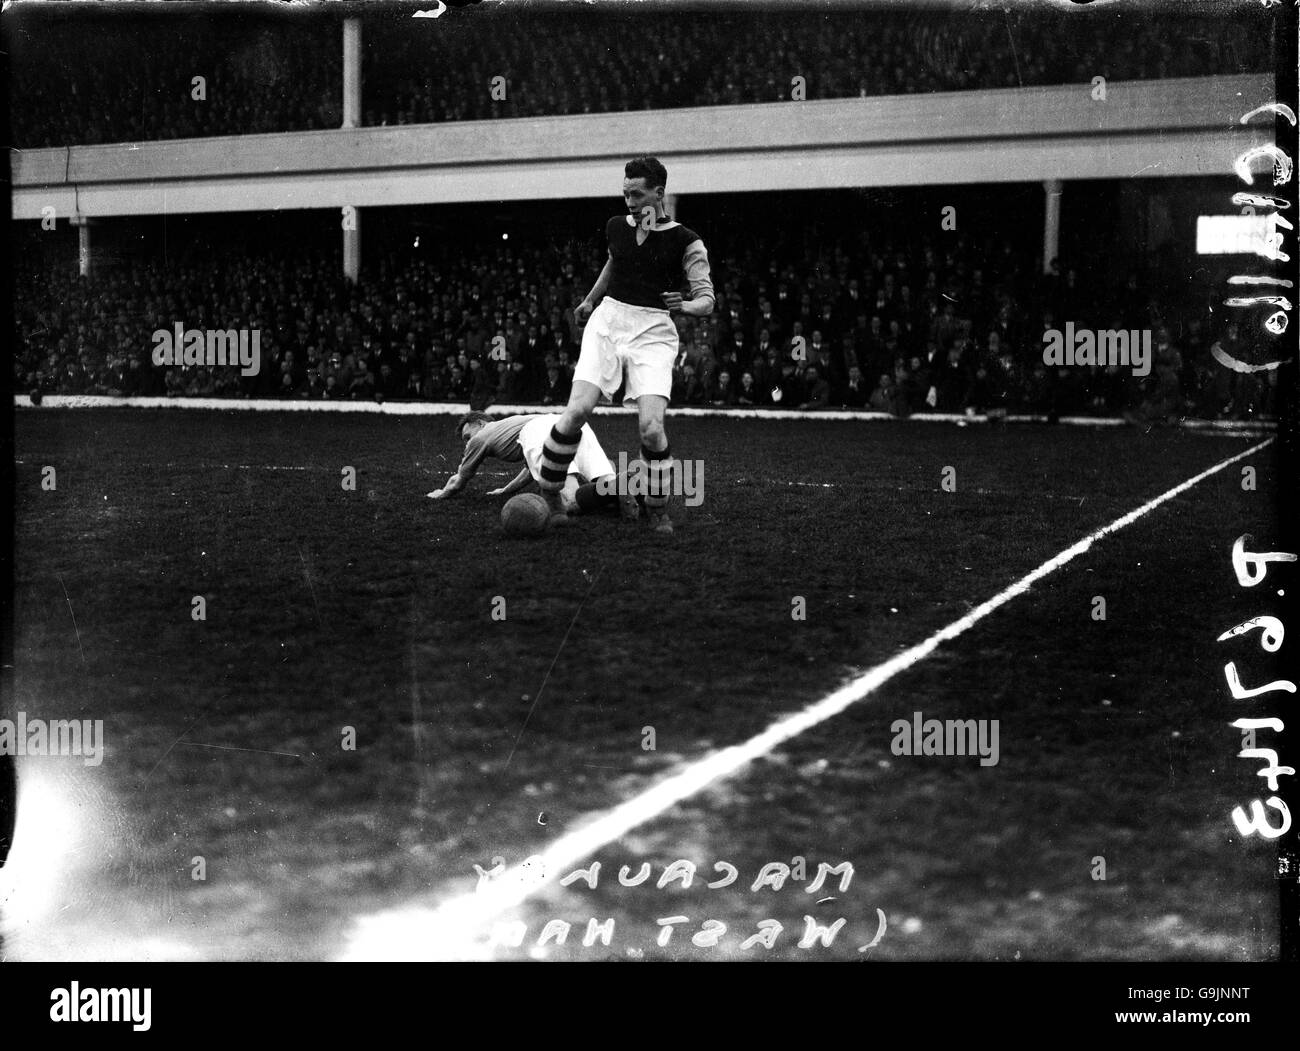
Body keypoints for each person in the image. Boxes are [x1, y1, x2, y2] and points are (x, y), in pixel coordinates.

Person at [541, 156, 715, 534]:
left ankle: (657, 510)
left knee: (651, 429)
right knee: (575, 414)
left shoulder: (688, 241)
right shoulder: (616, 226)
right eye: (625, 194)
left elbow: (707, 299)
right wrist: (589, 300)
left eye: (637, 194)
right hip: (609, 319)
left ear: (659, 192)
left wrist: (684, 305)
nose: (630, 202)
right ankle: (553, 496)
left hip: (653, 329)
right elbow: (613, 264)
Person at [427, 411, 622, 519]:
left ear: (480, 423)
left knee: (569, 501)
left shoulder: (481, 438)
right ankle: (630, 483)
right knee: (606, 480)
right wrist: (505, 489)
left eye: (467, 436)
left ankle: (618, 487)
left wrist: (441, 493)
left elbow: (459, 481)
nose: (467, 443)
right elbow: (533, 471)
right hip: (567, 421)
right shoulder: (510, 426)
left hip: (540, 430)